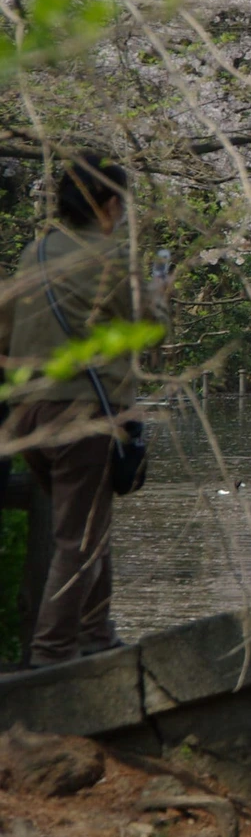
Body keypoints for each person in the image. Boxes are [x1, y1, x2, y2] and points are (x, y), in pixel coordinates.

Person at [0, 155, 167, 666]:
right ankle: (51, 656)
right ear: (111, 204)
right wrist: (159, 294)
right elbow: (149, 326)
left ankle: (96, 632)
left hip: (29, 415)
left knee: (88, 526)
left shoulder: (34, 254)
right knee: (77, 539)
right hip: (81, 417)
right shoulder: (110, 257)